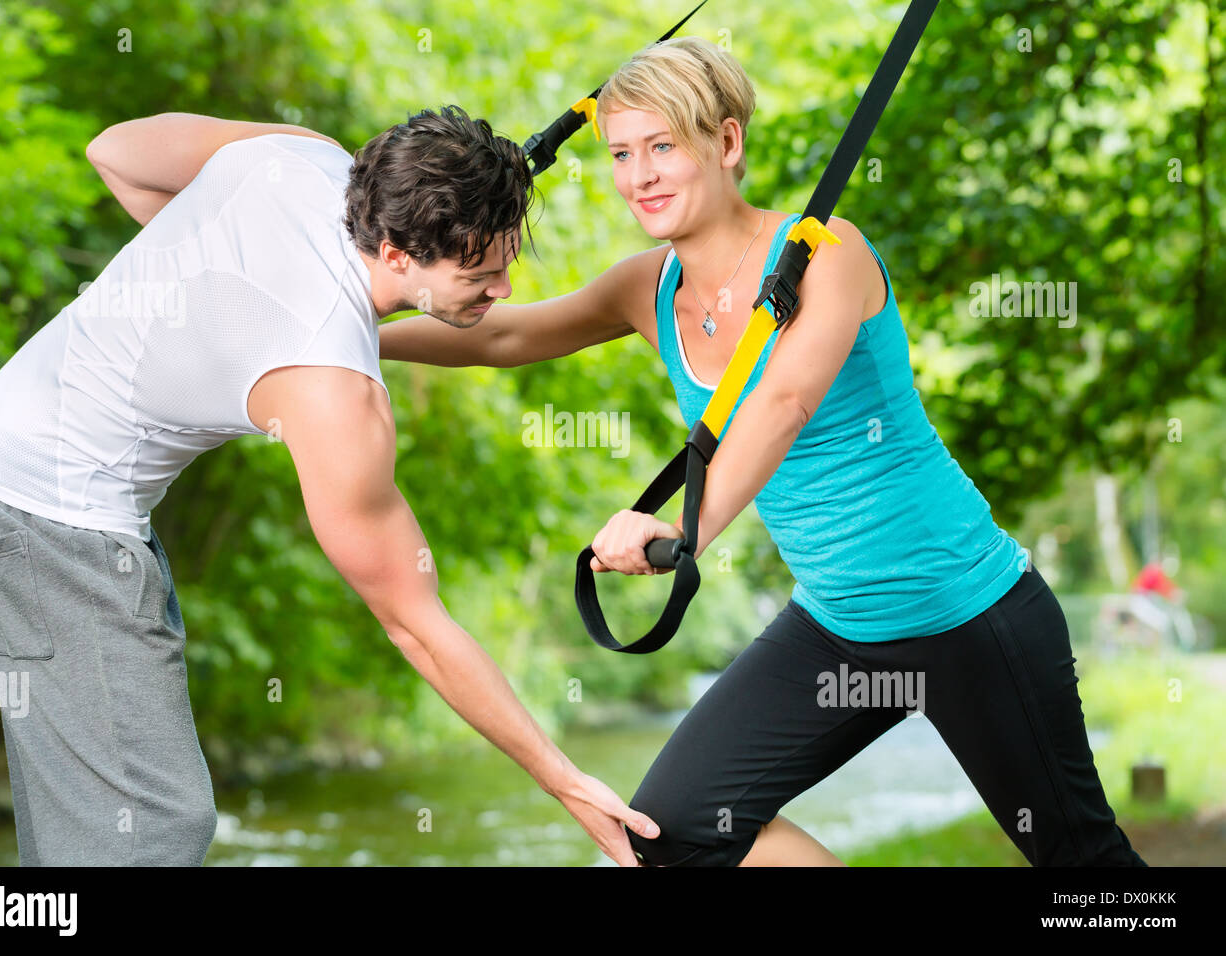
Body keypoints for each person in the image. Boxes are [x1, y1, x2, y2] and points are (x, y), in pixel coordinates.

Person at [379, 37, 1148, 867]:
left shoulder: (830, 254)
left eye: (663, 147)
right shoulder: (649, 288)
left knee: (1086, 871)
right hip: (840, 629)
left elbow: (781, 404)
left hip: (971, 614)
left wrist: (681, 534)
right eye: (622, 154)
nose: (639, 175)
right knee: (670, 834)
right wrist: (361, 326)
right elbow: (505, 333)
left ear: (728, 142)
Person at [0, 106, 660, 866]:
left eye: (506, 265)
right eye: (479, 275)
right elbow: (414, 622)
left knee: (81, 825)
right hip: (51, 523)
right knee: (151, 829)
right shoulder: (332, 394)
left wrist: (207, 306)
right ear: (396, 251)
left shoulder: (305, 159)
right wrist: (567, 781)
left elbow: (115, 149)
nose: (502, 289)